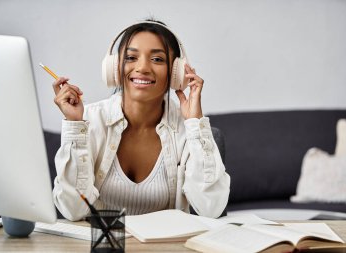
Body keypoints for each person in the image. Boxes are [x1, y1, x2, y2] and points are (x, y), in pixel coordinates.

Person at [52, 19, 230, 221]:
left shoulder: (186, 129)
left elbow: (211, 208)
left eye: (157, 59)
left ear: (176, 72)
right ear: (115, 67)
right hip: (105, 248)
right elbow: (73, 210)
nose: (143, 67)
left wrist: (195, 124)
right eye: (131, 57)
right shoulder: (88, 122)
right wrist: (75, 126)